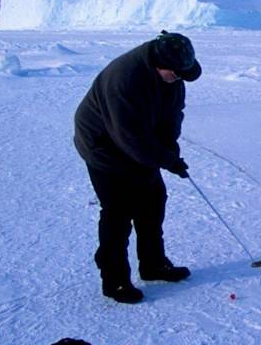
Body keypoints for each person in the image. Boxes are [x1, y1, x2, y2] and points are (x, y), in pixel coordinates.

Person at [73, 31, 201, 303]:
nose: (178, 79)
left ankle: (153, 265)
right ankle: (115, 280)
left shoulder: (172, 74)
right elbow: (129, 137)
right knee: (119, 211)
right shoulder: (125, 79)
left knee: (153, 200)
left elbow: (172, 114)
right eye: (175, 74)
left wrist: (170, 149)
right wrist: (165, 160)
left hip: (135, 141)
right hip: (103, 146)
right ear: (159, 64)